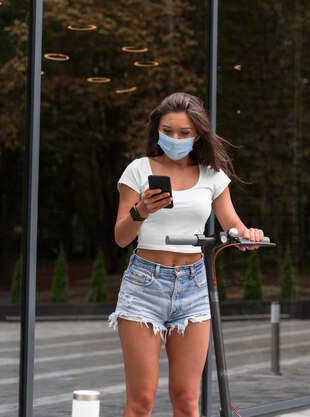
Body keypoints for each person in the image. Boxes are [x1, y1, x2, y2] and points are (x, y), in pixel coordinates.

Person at [109, 92, 264, 417]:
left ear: (197, 136)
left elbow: (233, 225)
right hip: (144, 285)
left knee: (186, 399)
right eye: (168, 131)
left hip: (194, 287)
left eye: (184, 133)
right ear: (156, 131)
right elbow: (121, 238)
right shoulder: (137, 171)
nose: (175, 138)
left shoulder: (213, 175)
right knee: (141, 401)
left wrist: (248, 236)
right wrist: (141, 211)